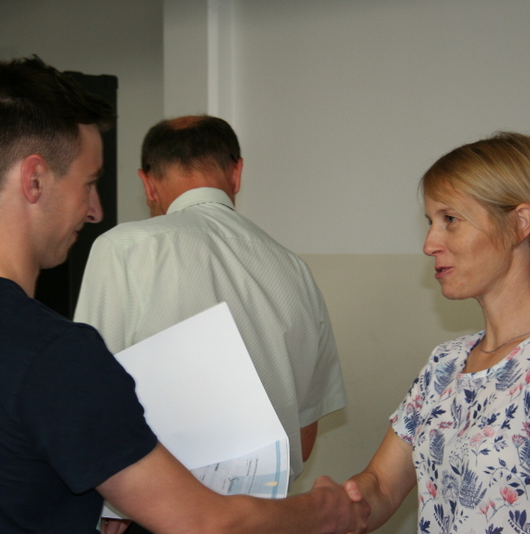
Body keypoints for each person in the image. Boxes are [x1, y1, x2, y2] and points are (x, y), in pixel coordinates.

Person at [0, 57, 368, 534]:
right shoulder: (56, 357)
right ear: (34, 179)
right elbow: (203, 522)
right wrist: (325, 511)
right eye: (89, 183)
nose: (95, 210)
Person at [343, 132, 530, 533]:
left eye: (450, 220)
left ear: (519, 224)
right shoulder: (446, 364)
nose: (429, 244)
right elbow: (380, 487)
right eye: (431, 222)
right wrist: (331, 505)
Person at [74, 115, 348, 482]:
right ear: (237, 173)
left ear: (148, 184)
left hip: (153, 503)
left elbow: (88, 404)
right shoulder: (294, 269)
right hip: (267, 504)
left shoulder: (121, 249)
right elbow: (304, 434)